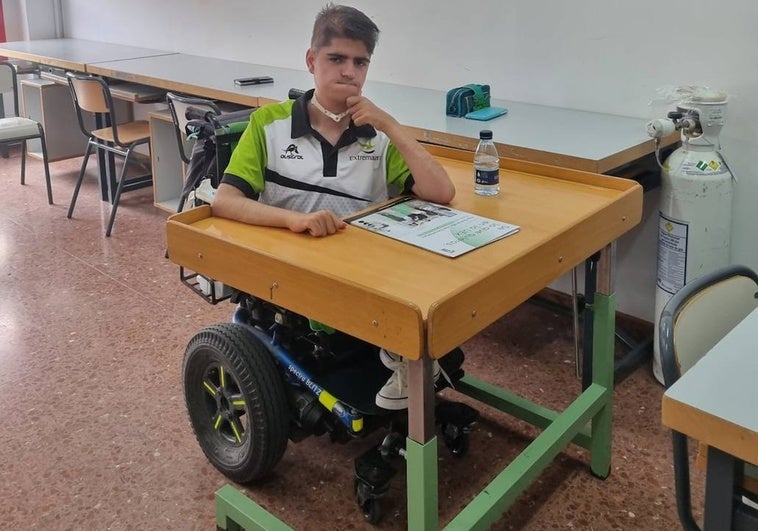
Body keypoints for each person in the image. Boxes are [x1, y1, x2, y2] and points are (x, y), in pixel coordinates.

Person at [212, 3, 456, 410]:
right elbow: (225, 202)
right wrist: (296, 220)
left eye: (360, 62)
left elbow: (441, 191)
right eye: (336, 58)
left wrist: (391, 125)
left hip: (367, 272)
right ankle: (398, 358)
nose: (349, 72)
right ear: (312, 61)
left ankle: (405, 357)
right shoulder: (268, 125)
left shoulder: (376, 138)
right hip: (297, 274)